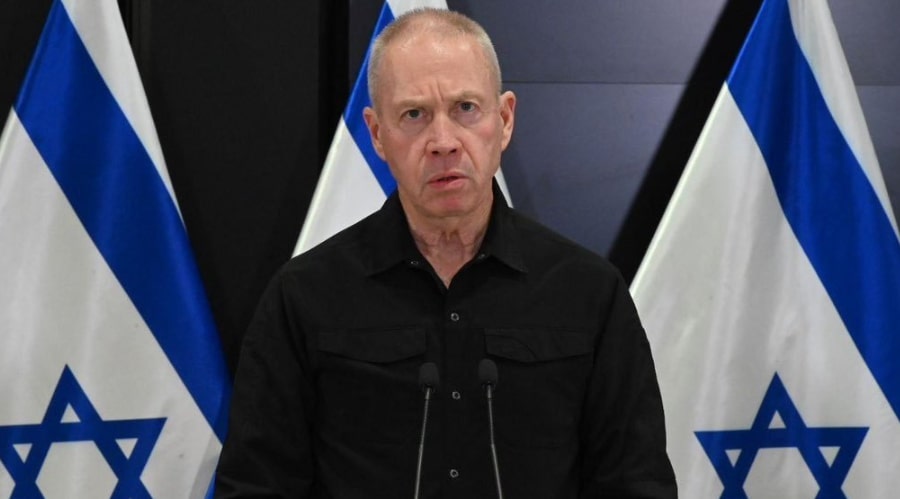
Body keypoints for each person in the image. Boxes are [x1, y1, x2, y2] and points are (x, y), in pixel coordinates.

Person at [215, 8, 676, 498]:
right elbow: (257, 485)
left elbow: (635, 483)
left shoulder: (587, 293)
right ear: (377, 135)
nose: (443, 142)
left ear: (504, 120)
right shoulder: (304, 297)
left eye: (465, 108)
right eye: (414, 115)